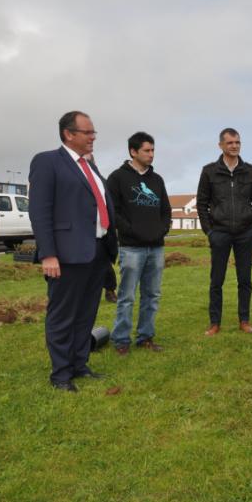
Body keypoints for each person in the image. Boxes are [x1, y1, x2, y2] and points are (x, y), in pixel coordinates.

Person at [28, 111, 116, 392]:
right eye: (88, 132)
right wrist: (48, 254)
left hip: (97, 251)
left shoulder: (90, 166)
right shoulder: (47, 162)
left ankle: (79, 365)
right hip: (66, 254)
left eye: (93, 132)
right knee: (63, 315)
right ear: (68, 134)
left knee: (86, 313)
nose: (93, 137)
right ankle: (61, 374)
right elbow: (40, 211)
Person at [105, 131, 172, 355]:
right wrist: (133, 231)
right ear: (133, 152)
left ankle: (145, 337)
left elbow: (165, 210)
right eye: (147, 150)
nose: (151, 154)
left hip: (156, 248)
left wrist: (161, 230)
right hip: (131, 247)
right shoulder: (117, 178)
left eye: (153, 150)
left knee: (152, 296)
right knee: (127, 297)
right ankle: (121, 340)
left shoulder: (157, 180)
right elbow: (113, 212)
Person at [196, 128, 252, 335]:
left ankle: (244, 320)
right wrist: (210, 232)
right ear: (221, 145)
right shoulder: (209, 171)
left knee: (245, 280)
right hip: (220, 233)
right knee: (217, 280)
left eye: (237, 142)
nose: (234, 146)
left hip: (245, 234)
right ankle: (214, 323)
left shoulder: (250, 171)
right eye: (230, 143)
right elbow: (202, 204)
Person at [86, 152, 118, 303]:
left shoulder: (102, 181)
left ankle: (110, 290)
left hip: (102, 234)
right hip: (83, 232)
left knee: (105, 267)